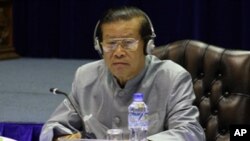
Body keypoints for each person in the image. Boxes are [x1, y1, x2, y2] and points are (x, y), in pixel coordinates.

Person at [40, 6, 206, 141]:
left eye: (128, 43)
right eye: (111, 44)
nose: (118, 52)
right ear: (99, 47)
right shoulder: (86, 76)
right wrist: (61, 137)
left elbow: (190, 133)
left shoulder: (172, 77)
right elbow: (52, 127)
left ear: (147, 46)